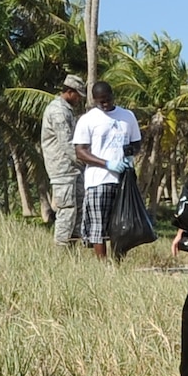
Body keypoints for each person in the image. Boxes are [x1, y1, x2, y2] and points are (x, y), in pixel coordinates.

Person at [71, 80, 141, 260]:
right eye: (100, 101)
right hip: (99, 180)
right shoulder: (87, 120)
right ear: (94, 100)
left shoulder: (127, 116)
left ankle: (118, 261)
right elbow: (81, 152)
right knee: (98, 226)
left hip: (123, 180)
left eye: (107, 99)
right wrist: (107, 163)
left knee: (121, 224)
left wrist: (128, 156)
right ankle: (102, 266)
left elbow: (136, 143)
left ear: (112, 96)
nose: (105, 104)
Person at [41, 74, 88, 246]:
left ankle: (73, 248)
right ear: (69, 92)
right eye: (78, 95)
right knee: (67, 210)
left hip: (73, 169)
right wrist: (86, 161)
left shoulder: (66, 109)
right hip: (63, 169)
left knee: (79, 208)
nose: (79, 100)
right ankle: (61, 250)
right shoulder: (58, 111)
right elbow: (67, 143)